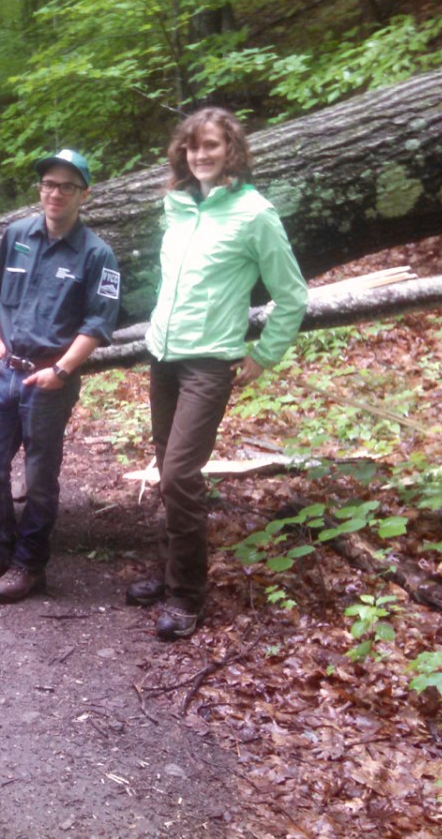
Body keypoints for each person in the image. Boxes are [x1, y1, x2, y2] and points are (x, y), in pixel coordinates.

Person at [132, 107, 308, 639]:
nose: (201, 155)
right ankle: (168, 574)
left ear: (232, 149)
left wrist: (265, 354)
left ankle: (187, 596)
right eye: (192, 147)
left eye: (211, 145)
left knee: (182, 473)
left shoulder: (255, 213)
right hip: (163, 355)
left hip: (209, 363)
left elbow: (292, 293)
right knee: (166, 466)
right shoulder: (179, 206)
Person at [0, 149, 121, 604]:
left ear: (84, 193)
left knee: (40, 478)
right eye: (48, 184)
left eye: (67, 186)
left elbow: (97, 326)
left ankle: (29, 565)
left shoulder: (97, 255)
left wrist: (61, 370)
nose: (55, 193)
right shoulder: (17, 236)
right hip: (7, 374)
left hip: (50, 382)